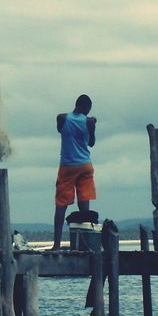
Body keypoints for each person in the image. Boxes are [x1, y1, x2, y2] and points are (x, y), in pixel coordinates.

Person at [52, 94, 97, 249]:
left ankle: (57, 244)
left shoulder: (63, 119)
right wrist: (92, 126)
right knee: (84, 203)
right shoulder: (89, 122)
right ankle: (86, 243)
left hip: (67, 166)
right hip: (85, 164)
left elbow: (60, 122)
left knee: (61, 204)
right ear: (86, 108)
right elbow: (91, 143)